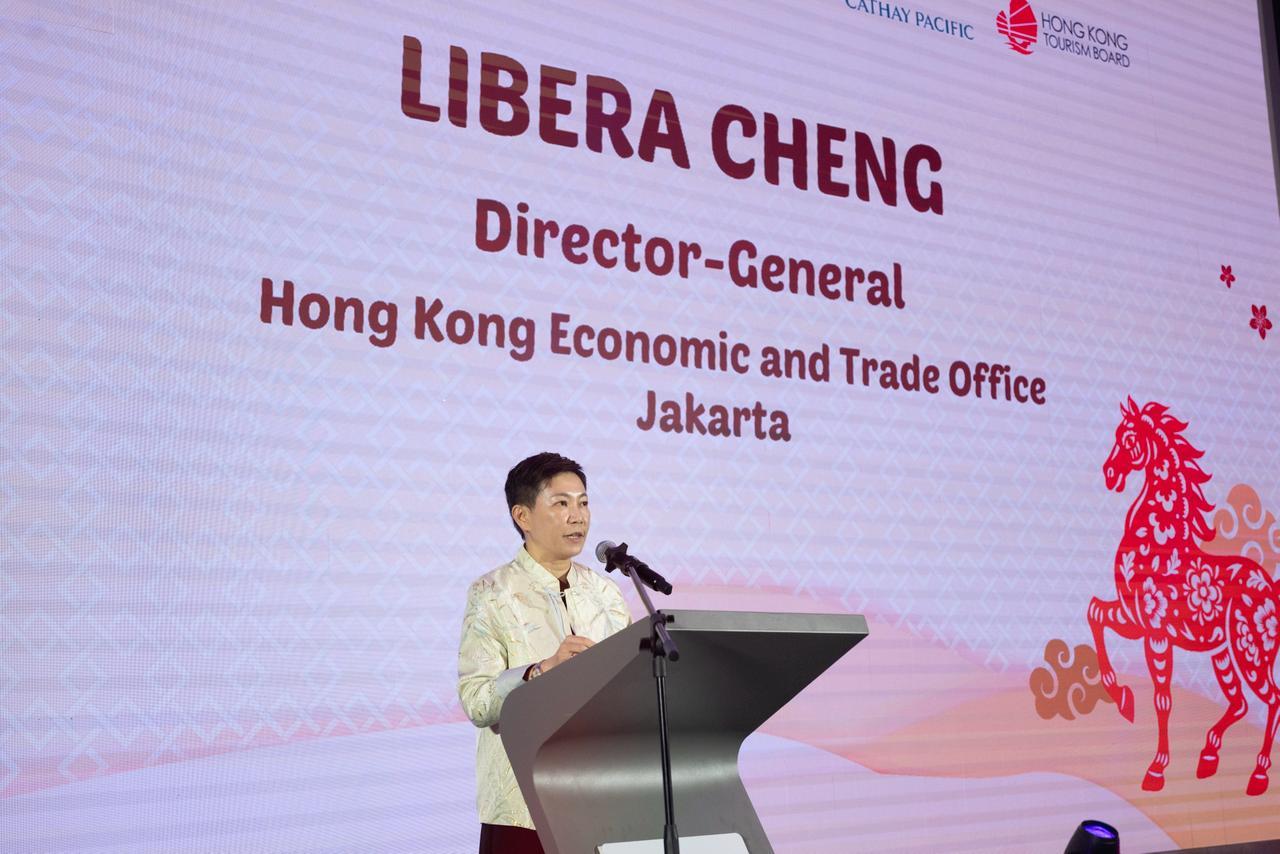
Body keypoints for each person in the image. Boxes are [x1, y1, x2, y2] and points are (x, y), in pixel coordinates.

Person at [458, 452, 632, 854]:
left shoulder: (605, 593)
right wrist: (540, 671)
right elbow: (477, 702)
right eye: (561, 503)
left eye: (584, 502)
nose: (579, 516)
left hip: (602, 799)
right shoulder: (491, 594)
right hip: (523, 807)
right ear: (522, 516)